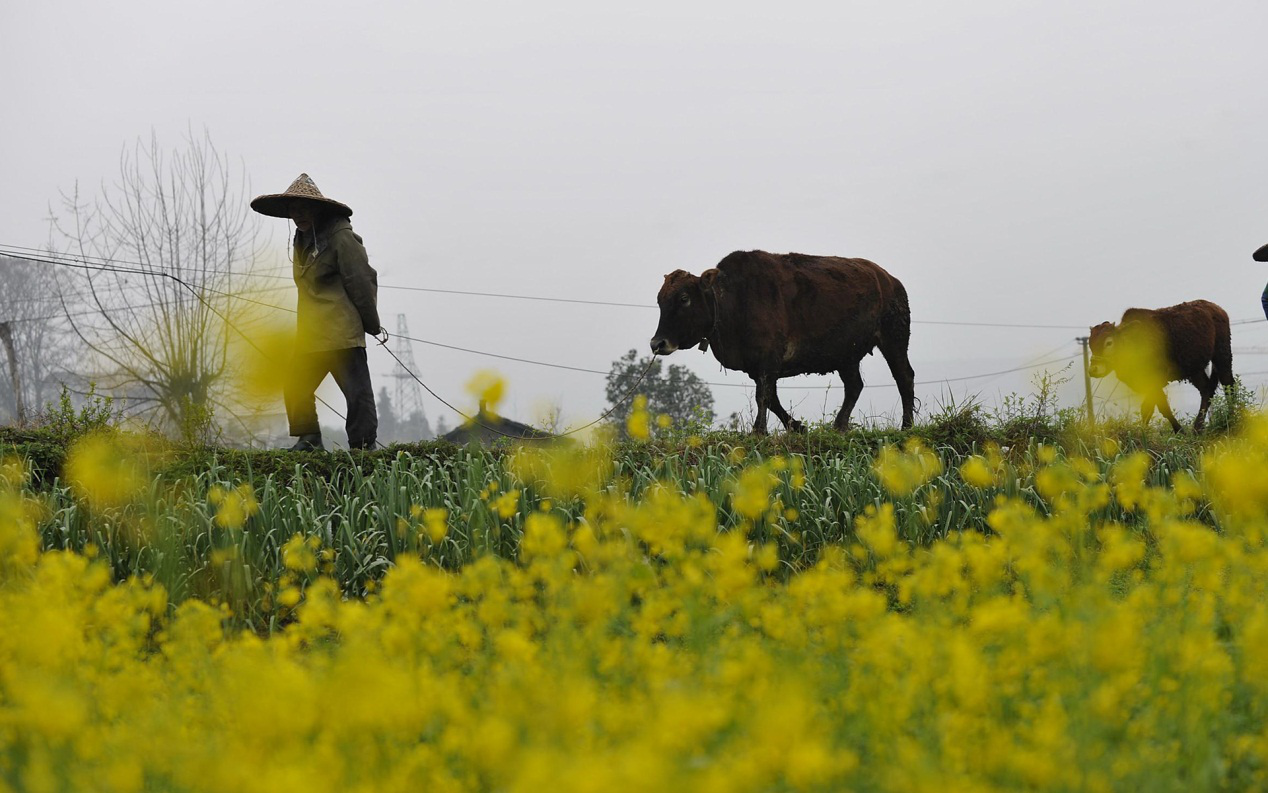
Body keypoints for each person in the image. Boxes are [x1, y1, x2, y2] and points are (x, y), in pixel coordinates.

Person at [251, 173, 382, 450]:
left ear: (318, 208)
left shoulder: (341, 237)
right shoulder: (302, 238)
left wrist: (371, 323)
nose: (298, 215)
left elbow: (361, 280)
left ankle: (363, 446)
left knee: (356, 392)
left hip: (342, 331)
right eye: (294, 209)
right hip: (312, 333)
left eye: (304, 208)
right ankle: (308, 439)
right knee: (295, 383)